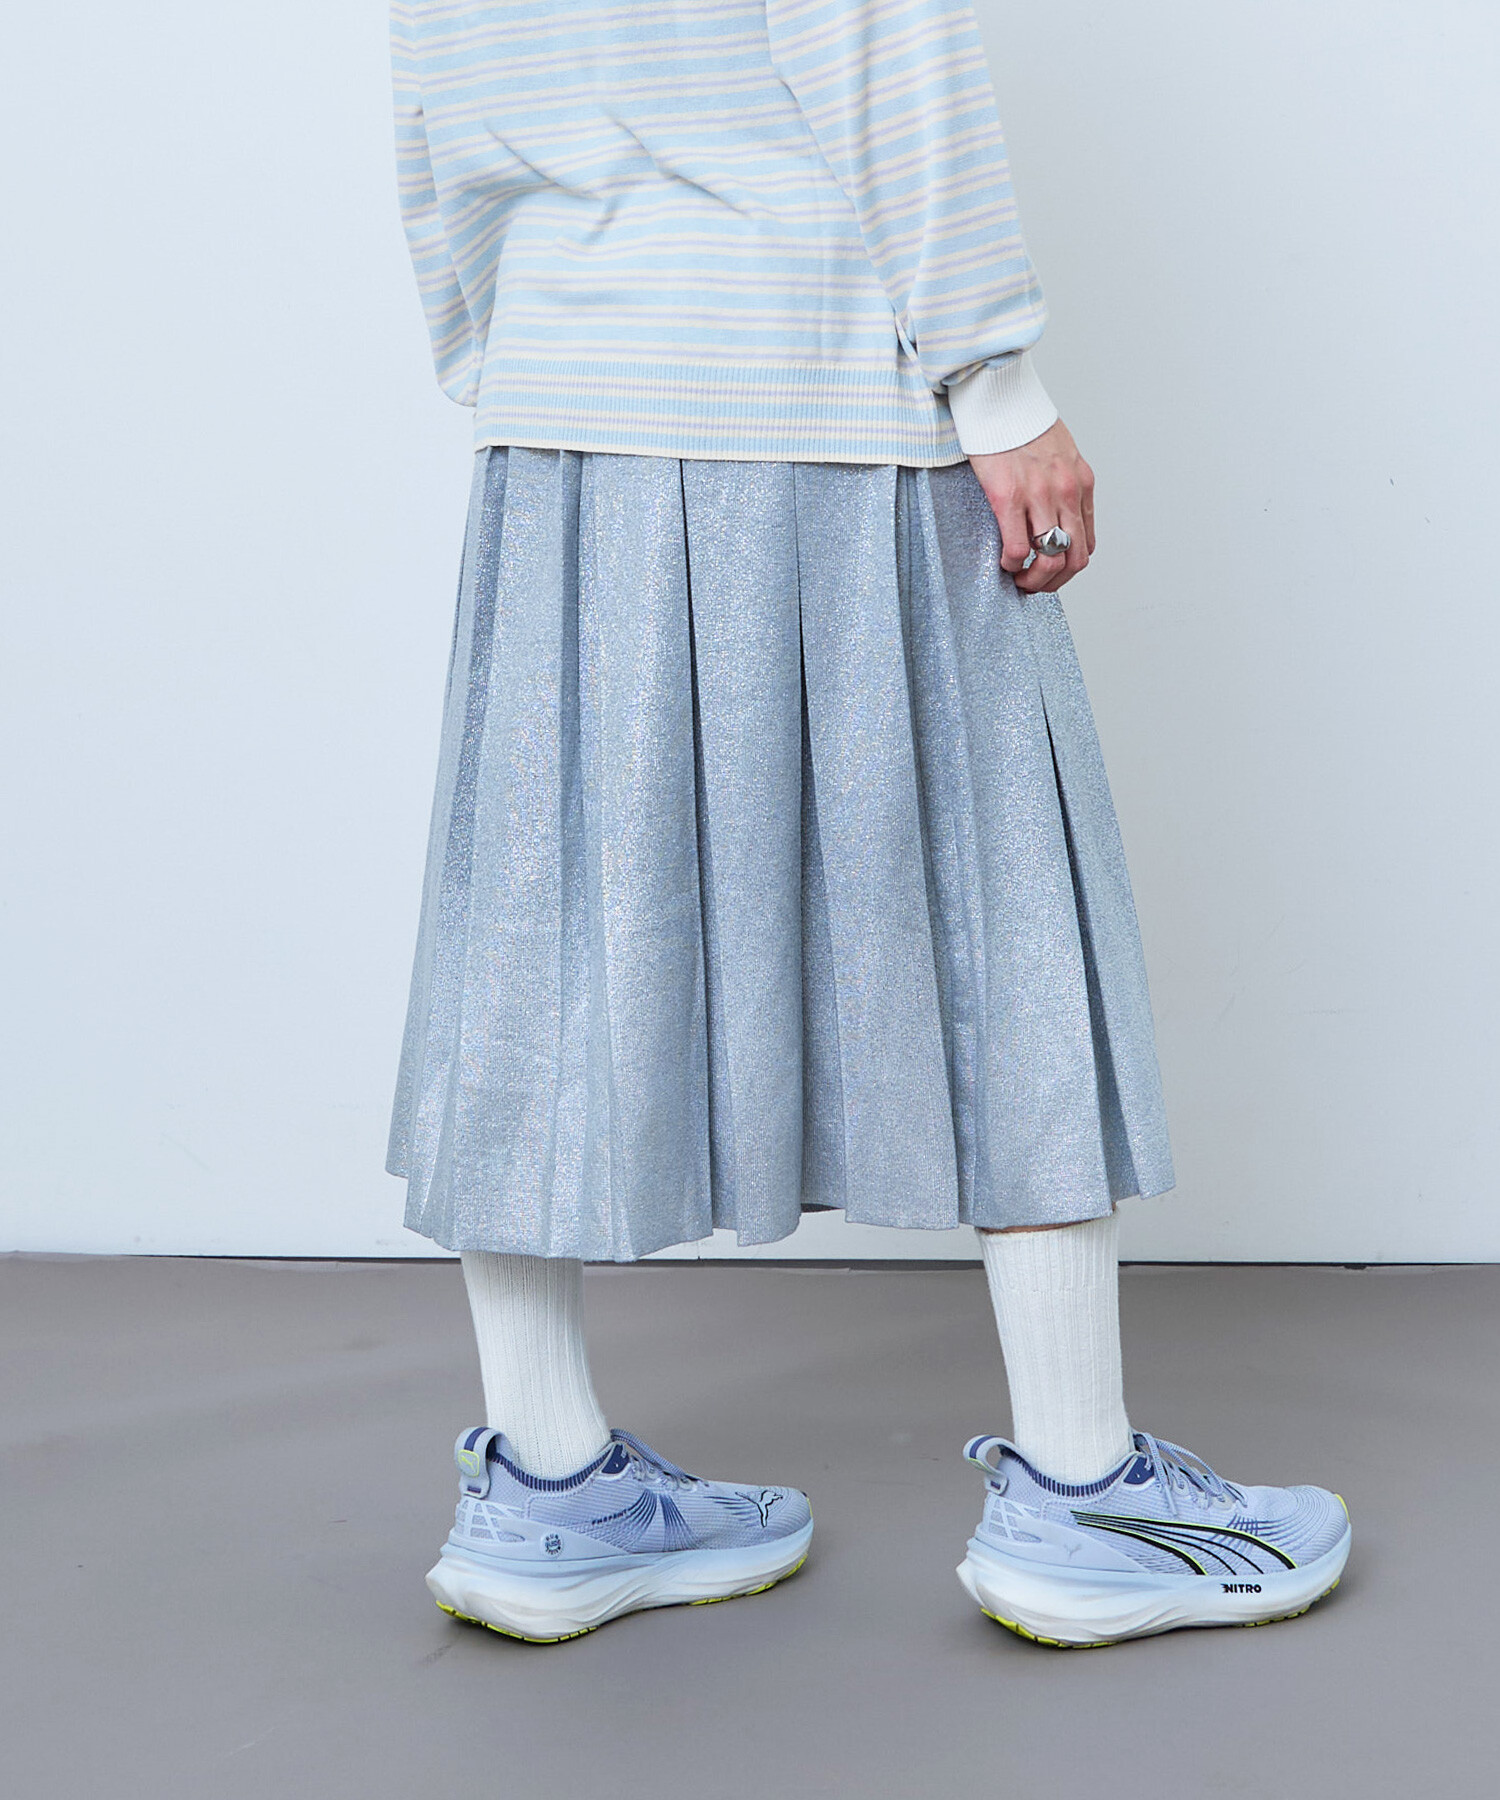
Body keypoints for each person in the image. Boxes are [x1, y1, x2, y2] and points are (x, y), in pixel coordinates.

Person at [386, 0, 1350, 1646]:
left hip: (558, 404)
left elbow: (436, 124)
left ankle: (548, 1492)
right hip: (813, 377)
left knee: (533, 924)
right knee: (1001, 896)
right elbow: (882, 41)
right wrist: (997, 379)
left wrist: (532, 351)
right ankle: (1084, 1493)